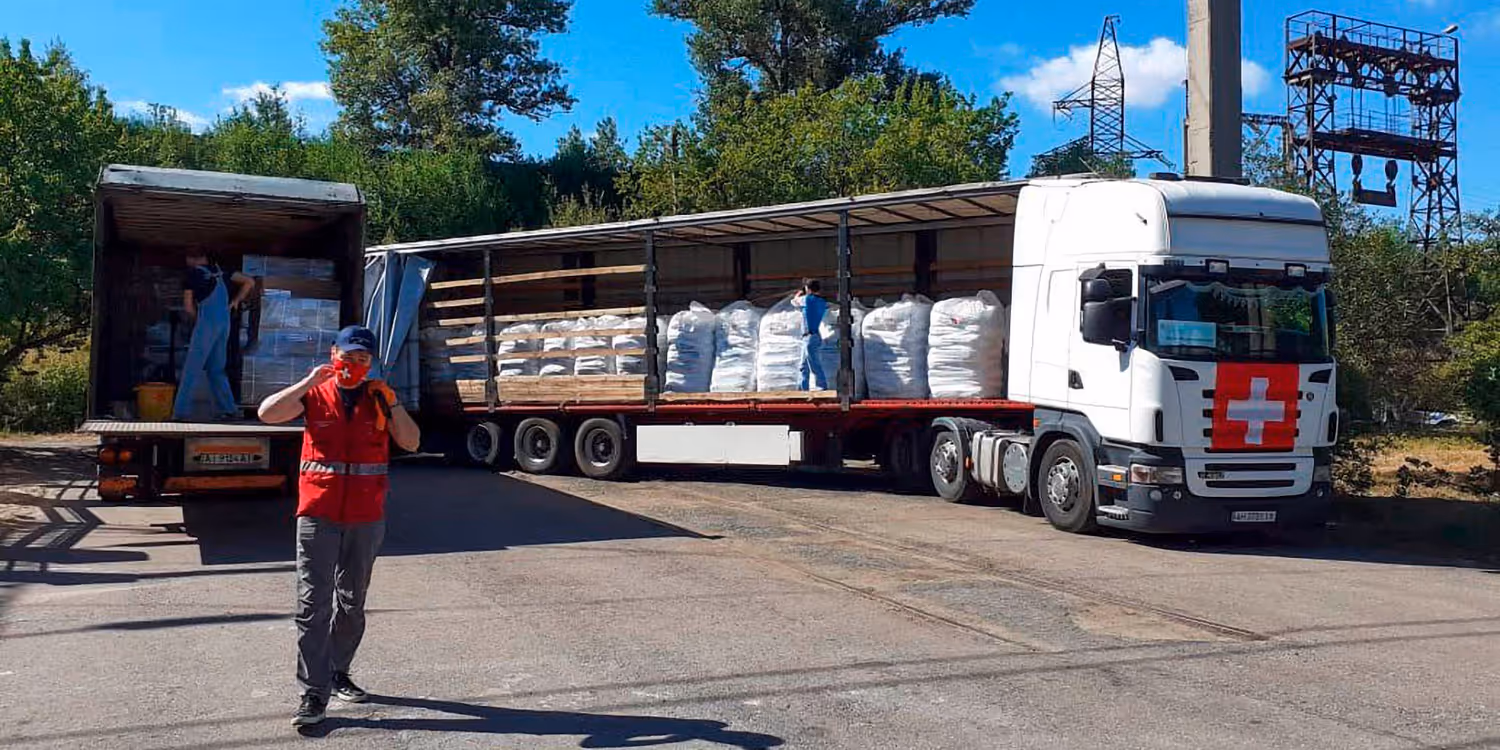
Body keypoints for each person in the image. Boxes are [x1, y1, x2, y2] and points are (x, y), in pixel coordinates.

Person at [256, 325, 421, 727]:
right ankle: (313, 693)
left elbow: (412, 442)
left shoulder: (378, 399)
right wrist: (307, 381)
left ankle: (337, 670)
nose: (354, 365)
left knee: (352, 603)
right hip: (318, 514)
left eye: (363, 359)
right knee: (313, 606)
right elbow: (267, 414)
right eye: (348, 357)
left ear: (371, 363)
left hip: (366, 517)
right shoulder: (316, 393)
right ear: (334, 354)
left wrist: (394, 405)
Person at [173, 248, 254, 420]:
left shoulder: (192, 274)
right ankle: (229, 409)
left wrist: (198, 321)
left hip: (207, 323)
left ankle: (180, 413)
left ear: (191, 259)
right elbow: (249, 281)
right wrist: (235, 302)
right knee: (216, 369)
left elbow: (188, 306)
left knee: (191, 368)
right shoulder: (221, 272)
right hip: (224, 323)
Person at [798, 278, 829, 391]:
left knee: (813, 364)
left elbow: (794, 301)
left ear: (808, 288)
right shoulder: (821, 302)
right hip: (813, 336)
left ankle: (822, 387)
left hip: (809, 337)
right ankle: (802, 388)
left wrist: (798, 293)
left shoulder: (807, 299)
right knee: (803, 366)